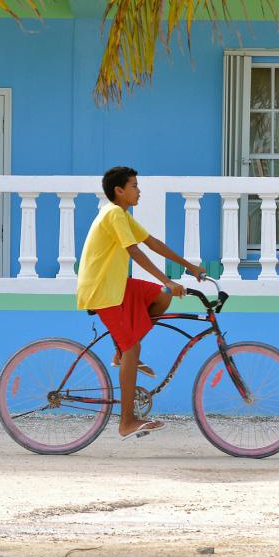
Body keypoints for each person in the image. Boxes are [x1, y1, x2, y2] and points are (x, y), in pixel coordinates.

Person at [77, 166, 206, 440]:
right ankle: (126, 422)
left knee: (163, 296)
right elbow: (134, 251)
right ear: (119, 191)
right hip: (102, 290)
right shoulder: (112, 213)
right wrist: (167, 278)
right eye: (134, 186)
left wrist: (189, 268)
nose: (139, 190)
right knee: (133, 346)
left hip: (117, 286)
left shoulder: (121, 214)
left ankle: (123, 351)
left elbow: (152, 243)